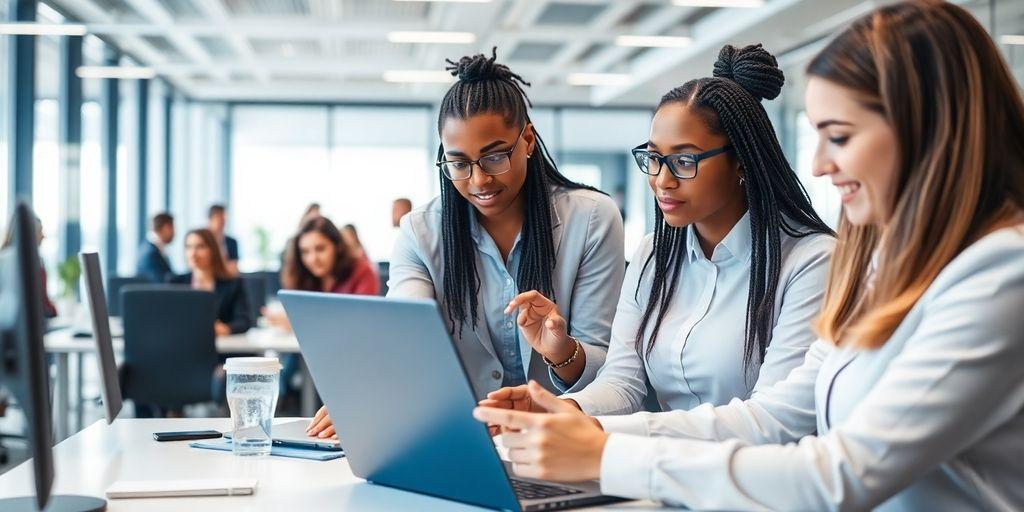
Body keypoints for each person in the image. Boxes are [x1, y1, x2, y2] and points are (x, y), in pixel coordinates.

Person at [473, 2, 1024, 510]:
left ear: (927, 131)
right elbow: (775, 417)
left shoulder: (1000, 276)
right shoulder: (889, 269)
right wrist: (575, 423)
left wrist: (602, 455)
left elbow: (838, 475)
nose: (820, 165)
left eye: (839, 136)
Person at [483, 44, 834, 419]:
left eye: (684, 161)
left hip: (752, 471)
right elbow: (623, 383)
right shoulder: (655, 254)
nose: (662, 180)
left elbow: (773, 419)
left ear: (740, 163)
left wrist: (604, 435)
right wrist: (561, 409)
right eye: (654, 159)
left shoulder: (811, 261)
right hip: (657, 464)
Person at [307, 49, 625, 439]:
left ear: (527, 139)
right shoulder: (420, 233)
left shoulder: (591, 219)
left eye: (494, 158)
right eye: (458, 163)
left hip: (559, 437)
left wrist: (560, 352)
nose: (478, 181)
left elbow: (609, 370)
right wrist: (366, 395)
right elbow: (404, 336)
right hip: (458, 436)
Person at [265, 217, 379, 330]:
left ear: (337, 246)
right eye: (305, 252)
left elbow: (358, 322)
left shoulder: (362, 272)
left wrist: (299, 323)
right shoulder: (301, 276)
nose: (312, 259)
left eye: (320, 249)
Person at [169, 228, 251, 336]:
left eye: (200, 247)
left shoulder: (233, 284)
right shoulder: (175, 283)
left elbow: (244, 321)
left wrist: (225, 329)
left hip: (222, 347)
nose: (193, 253)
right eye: (188, 247)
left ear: (213, 251)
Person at [135, 212, 175, 283]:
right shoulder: (150, 253)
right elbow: (162, 283)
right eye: (173, 228)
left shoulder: (149, 247)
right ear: (166, 228)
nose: (174, 233)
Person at [207, 204, 239, 275]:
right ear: (210, 219)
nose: (223, 223)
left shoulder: (231, 242)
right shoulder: (201, 241)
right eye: (219, 219)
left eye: (224, 220)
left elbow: (233, 269)